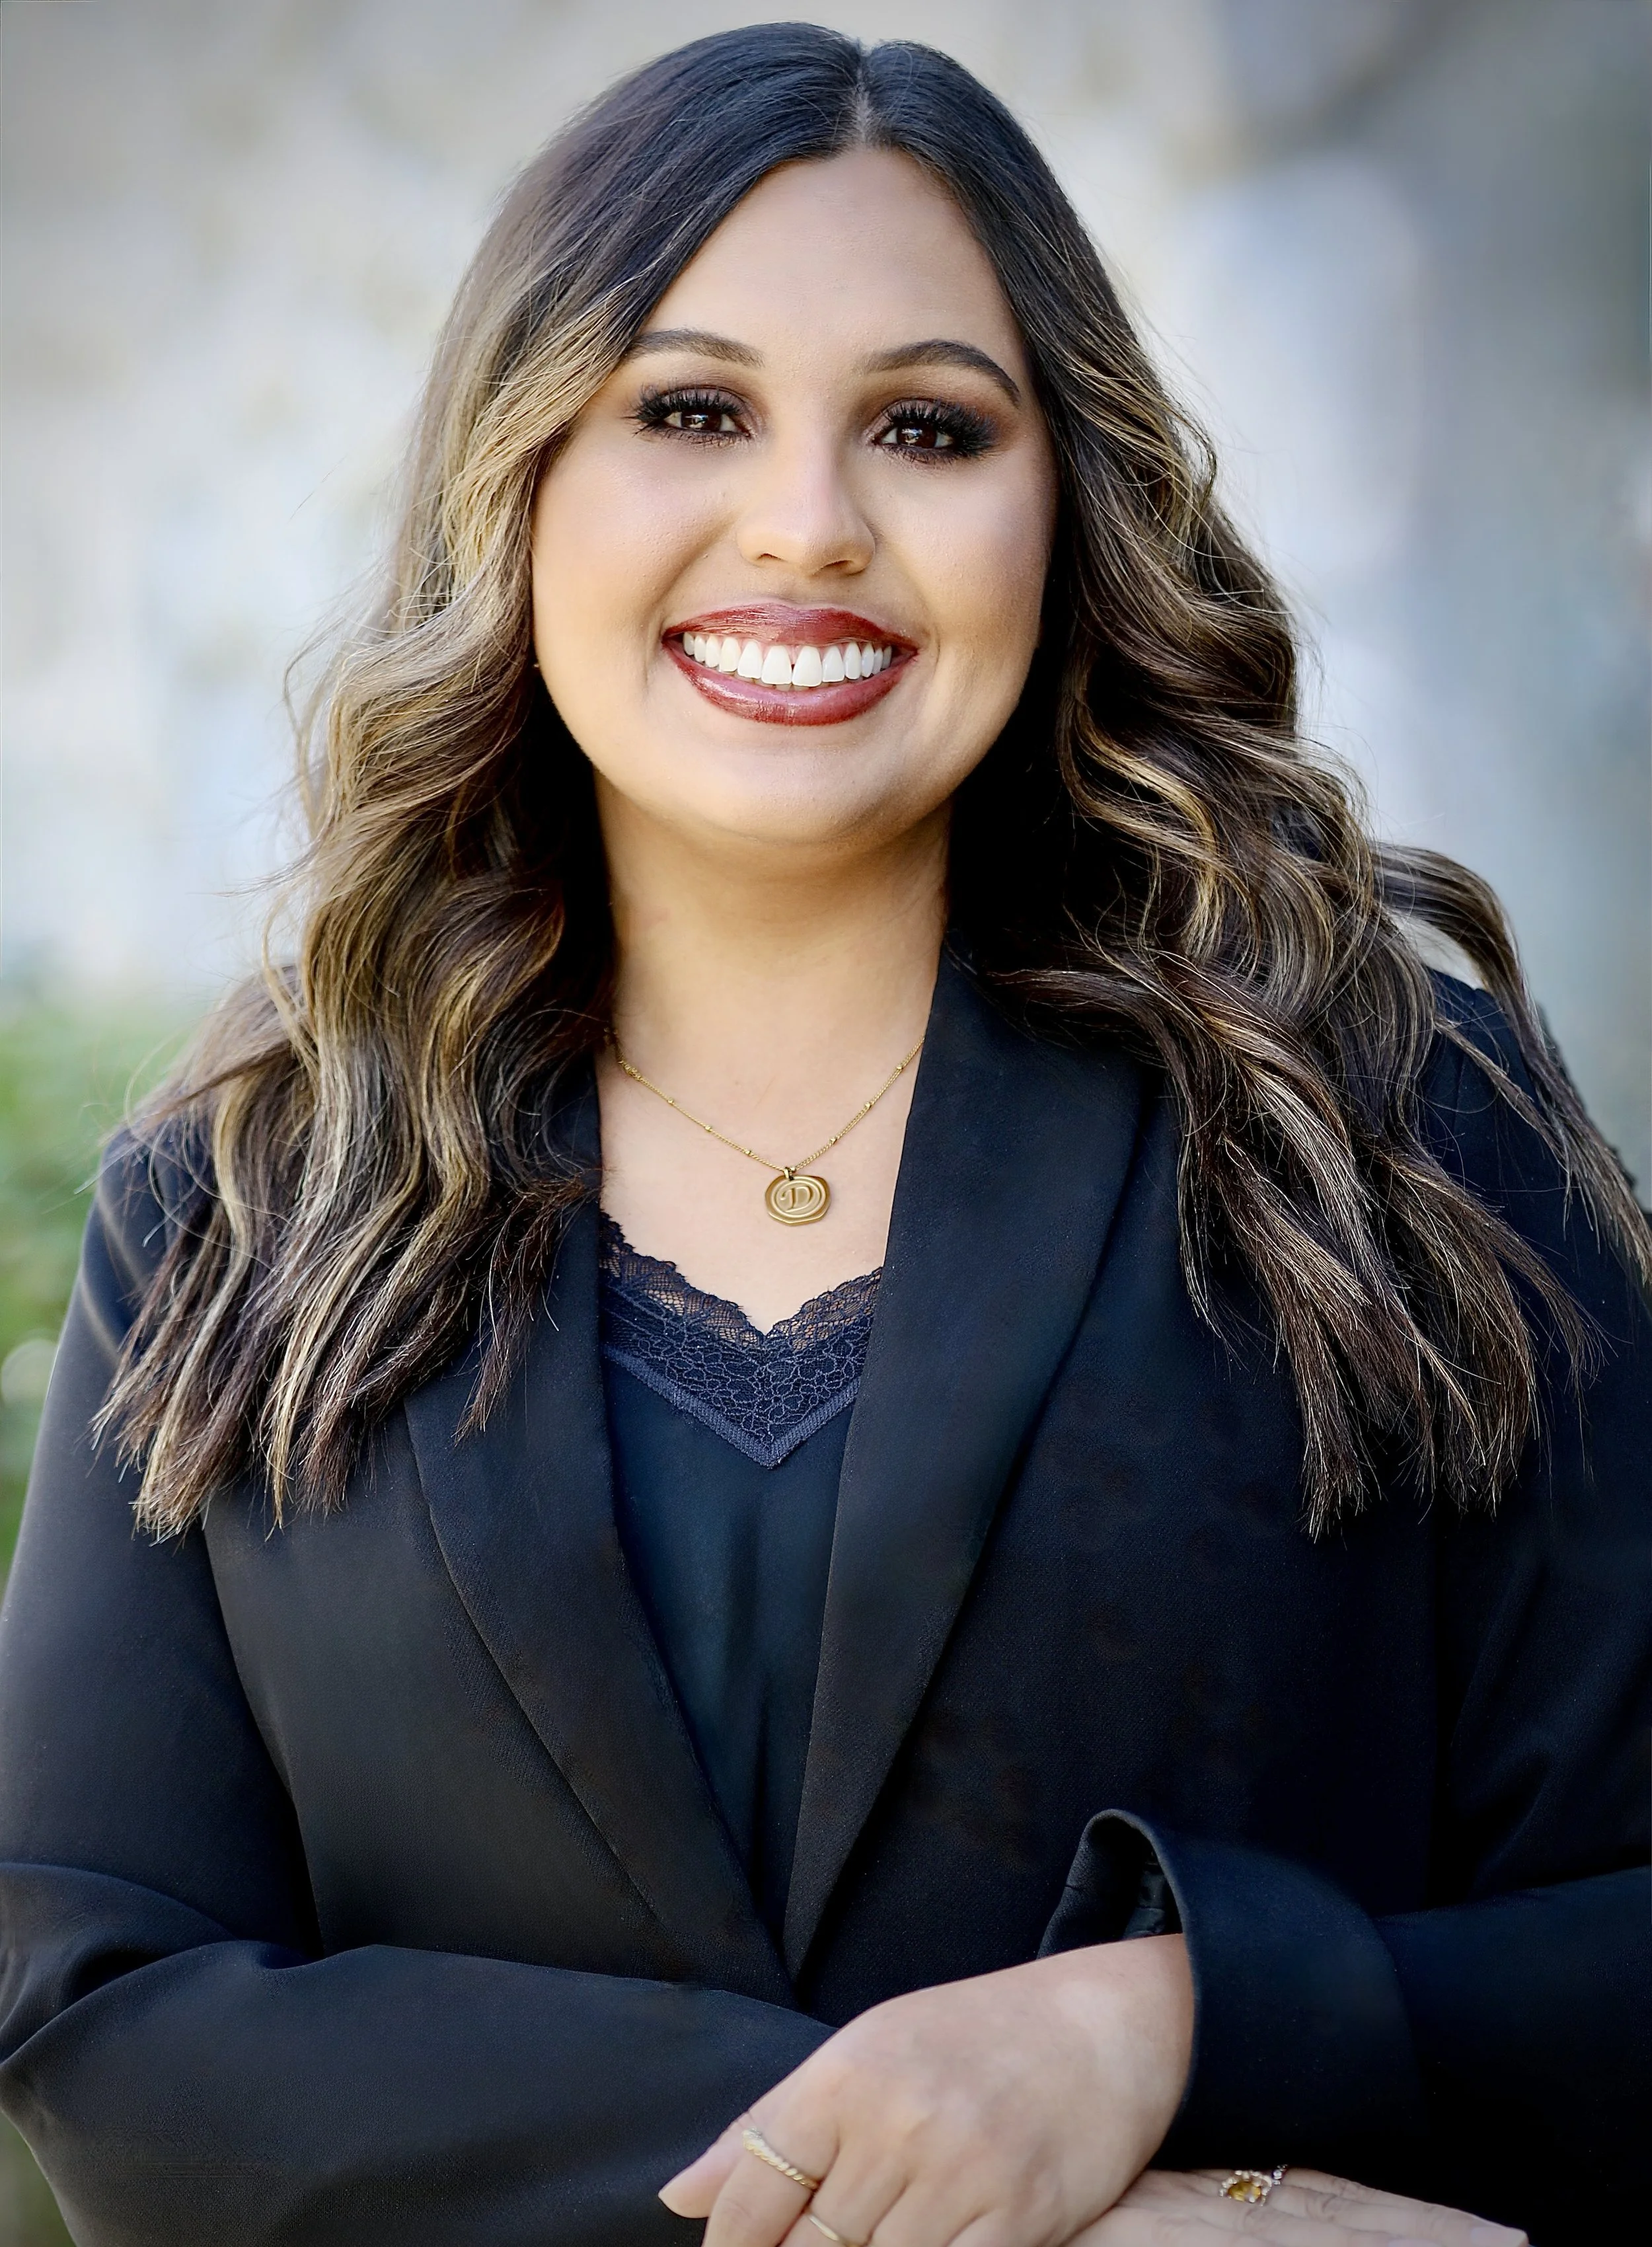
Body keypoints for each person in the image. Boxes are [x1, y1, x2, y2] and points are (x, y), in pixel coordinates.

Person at [0, 26, 1645, 2247]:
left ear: (1061, 504)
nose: (806, 523)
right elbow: (94, 1998)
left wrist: (1155, 2030)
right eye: (689, 410)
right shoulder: (240, 1208)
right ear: (521, 482)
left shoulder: (1397, 1129)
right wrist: (1064, 2213)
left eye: (926, 427)